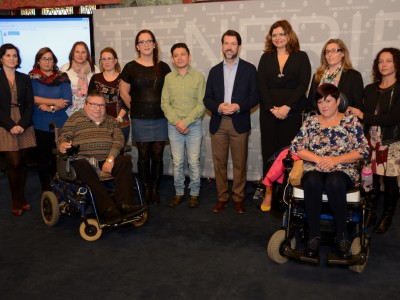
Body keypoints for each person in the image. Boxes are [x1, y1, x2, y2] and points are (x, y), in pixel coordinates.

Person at [291, 83, 369, 259]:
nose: (323, 106)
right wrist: (320, 159)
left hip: (343, 168)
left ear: (338, 101)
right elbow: (296, 147)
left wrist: (335, 160)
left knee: (334, 182)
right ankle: (314, 236)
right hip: (315, 166)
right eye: (319, 102)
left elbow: (363, 150)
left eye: (328, 101)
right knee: (312, 181)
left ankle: (342, 236)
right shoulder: (310, 121)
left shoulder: (350, 121)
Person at [58, 91, 144, 225]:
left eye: (102, 105)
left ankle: (125, 205)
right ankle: (108, 209)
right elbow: (65, 136)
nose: (98, 108)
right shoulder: (75, 118)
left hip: (107, 158)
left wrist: (110, 159)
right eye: (94, 104)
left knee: (125, 160)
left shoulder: (111, 120)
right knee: (80, 164)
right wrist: (62, 144)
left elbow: (119, 140)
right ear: (85, 105)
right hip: (84, 161)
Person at [204, 30, 259, 214]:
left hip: (239, 122)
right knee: (219, 163)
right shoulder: (214, 71)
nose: (229, 47)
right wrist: (219, 106)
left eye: (233, 44)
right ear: (222, 46)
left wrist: (237, 106)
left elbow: (255, 97)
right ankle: (222, 197)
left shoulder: (249, 69)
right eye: (226, 43)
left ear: (239, 46)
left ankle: (238, 198)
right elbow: (207, 99)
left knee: (239, 163)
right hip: (218, 122)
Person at [348, 47, 400, 234]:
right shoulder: (370, 89)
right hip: (370, 142)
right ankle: (370, 211)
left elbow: (393, 118)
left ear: (396, 63)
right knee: (370, 180)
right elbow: (362, 115)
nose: (384, 65)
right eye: (380, 61)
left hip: (392, 143)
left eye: (388, 60)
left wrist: (363, 114)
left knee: (391, 182)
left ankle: (387, 216)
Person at [120, 29, 171, 205]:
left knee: (157, 155)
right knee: (143, 156)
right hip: (140, 118)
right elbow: (124, 92)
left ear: (154, 44)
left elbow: (170, 91)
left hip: (160, 118)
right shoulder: (130, 67)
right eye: (142, 42)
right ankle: (146, 188)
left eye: (149, 41)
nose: (146, 44)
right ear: (137, 46)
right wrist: (135, 108)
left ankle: (155, 188)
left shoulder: (163, 67)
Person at [257, 20, 311, 176]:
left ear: (289, 35)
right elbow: (261, 84)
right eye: (274, 35)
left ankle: (289, 190)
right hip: (269, 113)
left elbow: (303, 84)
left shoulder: (301, 57)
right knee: (269, 152)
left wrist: (287, 106)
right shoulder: (266, 57)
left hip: (293, 112)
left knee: (290, 152)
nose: (278, 38)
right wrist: (271, 108)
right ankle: (269, 190)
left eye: (282, 34)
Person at [161, 43, 206, 208]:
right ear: (173, 59)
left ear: (189, 56)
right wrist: (177, 122)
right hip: (174, 126)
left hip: (193, 125)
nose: (179, 57)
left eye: (183, 54)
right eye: (176, 55)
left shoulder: (199, 77)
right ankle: (179, 192)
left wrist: (185, 122)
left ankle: (194, 193)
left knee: (193, 161)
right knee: (177, 161)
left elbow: (201, 104)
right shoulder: (168, 78)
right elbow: (165, 103)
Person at [29, 47, 72, 192]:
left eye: (50, 59)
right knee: (43, 158)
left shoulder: (62, 77)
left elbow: (67, 101)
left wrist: (50, 107)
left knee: (60, 156)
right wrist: (54, 102)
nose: (47, 62)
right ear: (38, 61)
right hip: (40, 122)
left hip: (60, 123)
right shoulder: (32, 77)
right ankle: (46, 188)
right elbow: (31, 98)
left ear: (54, 61)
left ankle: (60, 186)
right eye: (44, 59)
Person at [0, 43, 36, 216]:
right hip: (5, 124)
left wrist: (22, 124)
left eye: (15, 55)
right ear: (1, 58)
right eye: (8, 55)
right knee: (13, 162)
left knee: (23, 162)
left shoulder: (24, 78)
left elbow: (30, 104)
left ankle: (22, 197)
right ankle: (15, 198)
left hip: (24, 123)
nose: (12, 58)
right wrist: (10, 125)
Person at [308, 38, 364, 110]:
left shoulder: (354, 76)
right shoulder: (317, 75)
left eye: (334, 51)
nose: (330, 54)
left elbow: (357, 105)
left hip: (344, 119)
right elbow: (311, 103)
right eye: (327, 52)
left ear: (343, 53)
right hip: (319, 118)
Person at [88, 47, 130, 142]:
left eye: (109, 59)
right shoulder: (95, 78)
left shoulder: (124, 78)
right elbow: (89, 101)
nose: (106, 62)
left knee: (118, 154)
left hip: (121, 123)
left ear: (115, 60)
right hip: (99, 124)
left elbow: (128, 100)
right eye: (104, 59)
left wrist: (118, 118)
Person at [60, 41, 100, 116]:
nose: (80, 55)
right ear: (72, 54)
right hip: (69, 113)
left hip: (92, 112)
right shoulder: (64, 69)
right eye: (77, 52)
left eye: (83, 52)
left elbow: (99, 92)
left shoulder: (94, 69)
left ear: (87, 54)